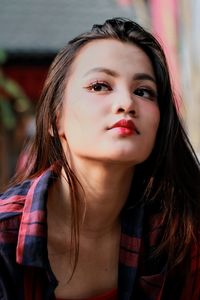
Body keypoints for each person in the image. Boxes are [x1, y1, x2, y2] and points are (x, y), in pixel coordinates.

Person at [0, 17, 199, 300]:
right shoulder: (5, 237)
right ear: (55, 120)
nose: (126, 103)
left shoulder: (179, 236)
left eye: (143, 91)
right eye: (99, 86)